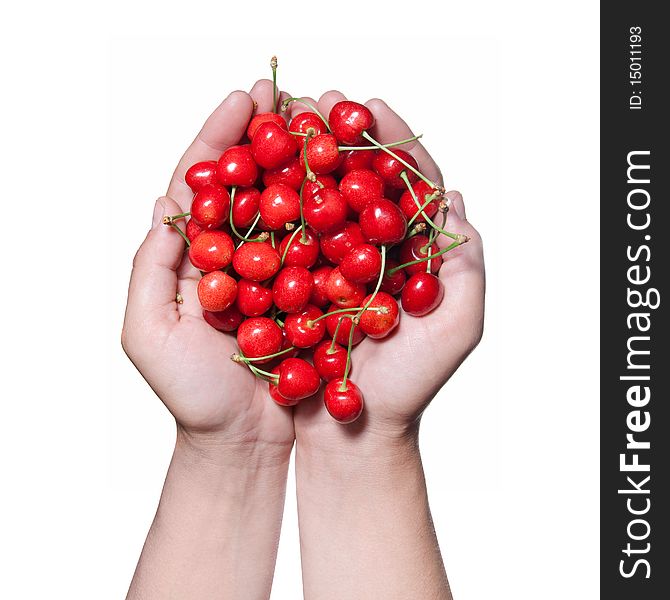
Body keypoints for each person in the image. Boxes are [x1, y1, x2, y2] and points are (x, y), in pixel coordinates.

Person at [121, 78, 485, 600]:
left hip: (313, 321)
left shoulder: (339, 263)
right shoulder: (265, 241)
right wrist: (225, 444)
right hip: (293, 320)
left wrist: (365, 442)